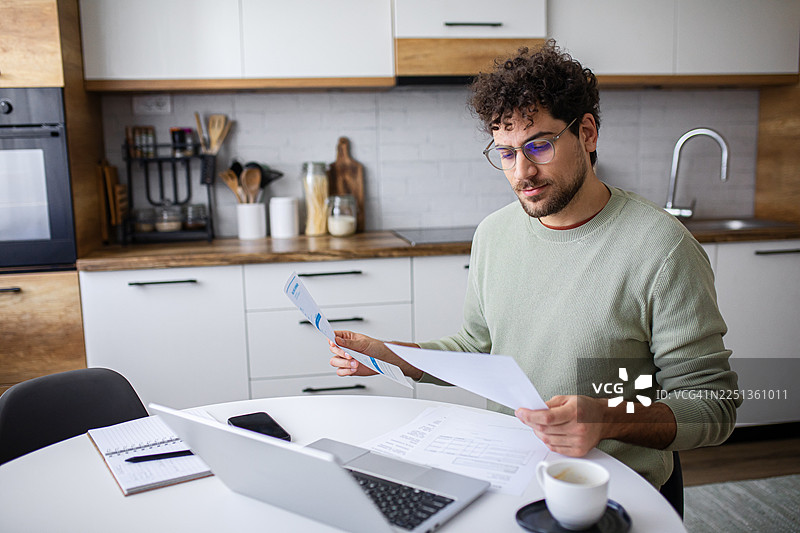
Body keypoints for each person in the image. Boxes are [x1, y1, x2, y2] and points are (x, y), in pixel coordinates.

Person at [329, 41, 740, 489]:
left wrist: (607, 418)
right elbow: (478, 348)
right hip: (510, 476)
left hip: (616, 490)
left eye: (539, 146)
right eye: (505, 152)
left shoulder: (661, 249)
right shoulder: (493, 233)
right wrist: (395, 357)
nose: (521, 172)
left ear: (587, 133)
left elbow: (712, 405)